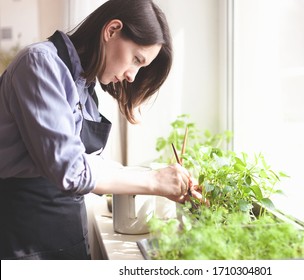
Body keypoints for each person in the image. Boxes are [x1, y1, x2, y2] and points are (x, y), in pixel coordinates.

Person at [0, 0, 201, 260]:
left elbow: (93, 165)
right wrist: (154, 181)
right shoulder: (39, 64)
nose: (132, 76)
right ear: (112, 30)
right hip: (26, 236)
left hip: (67, 230)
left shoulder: (84, 84)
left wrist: (162, 176)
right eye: (136, 60)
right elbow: (72, 171)